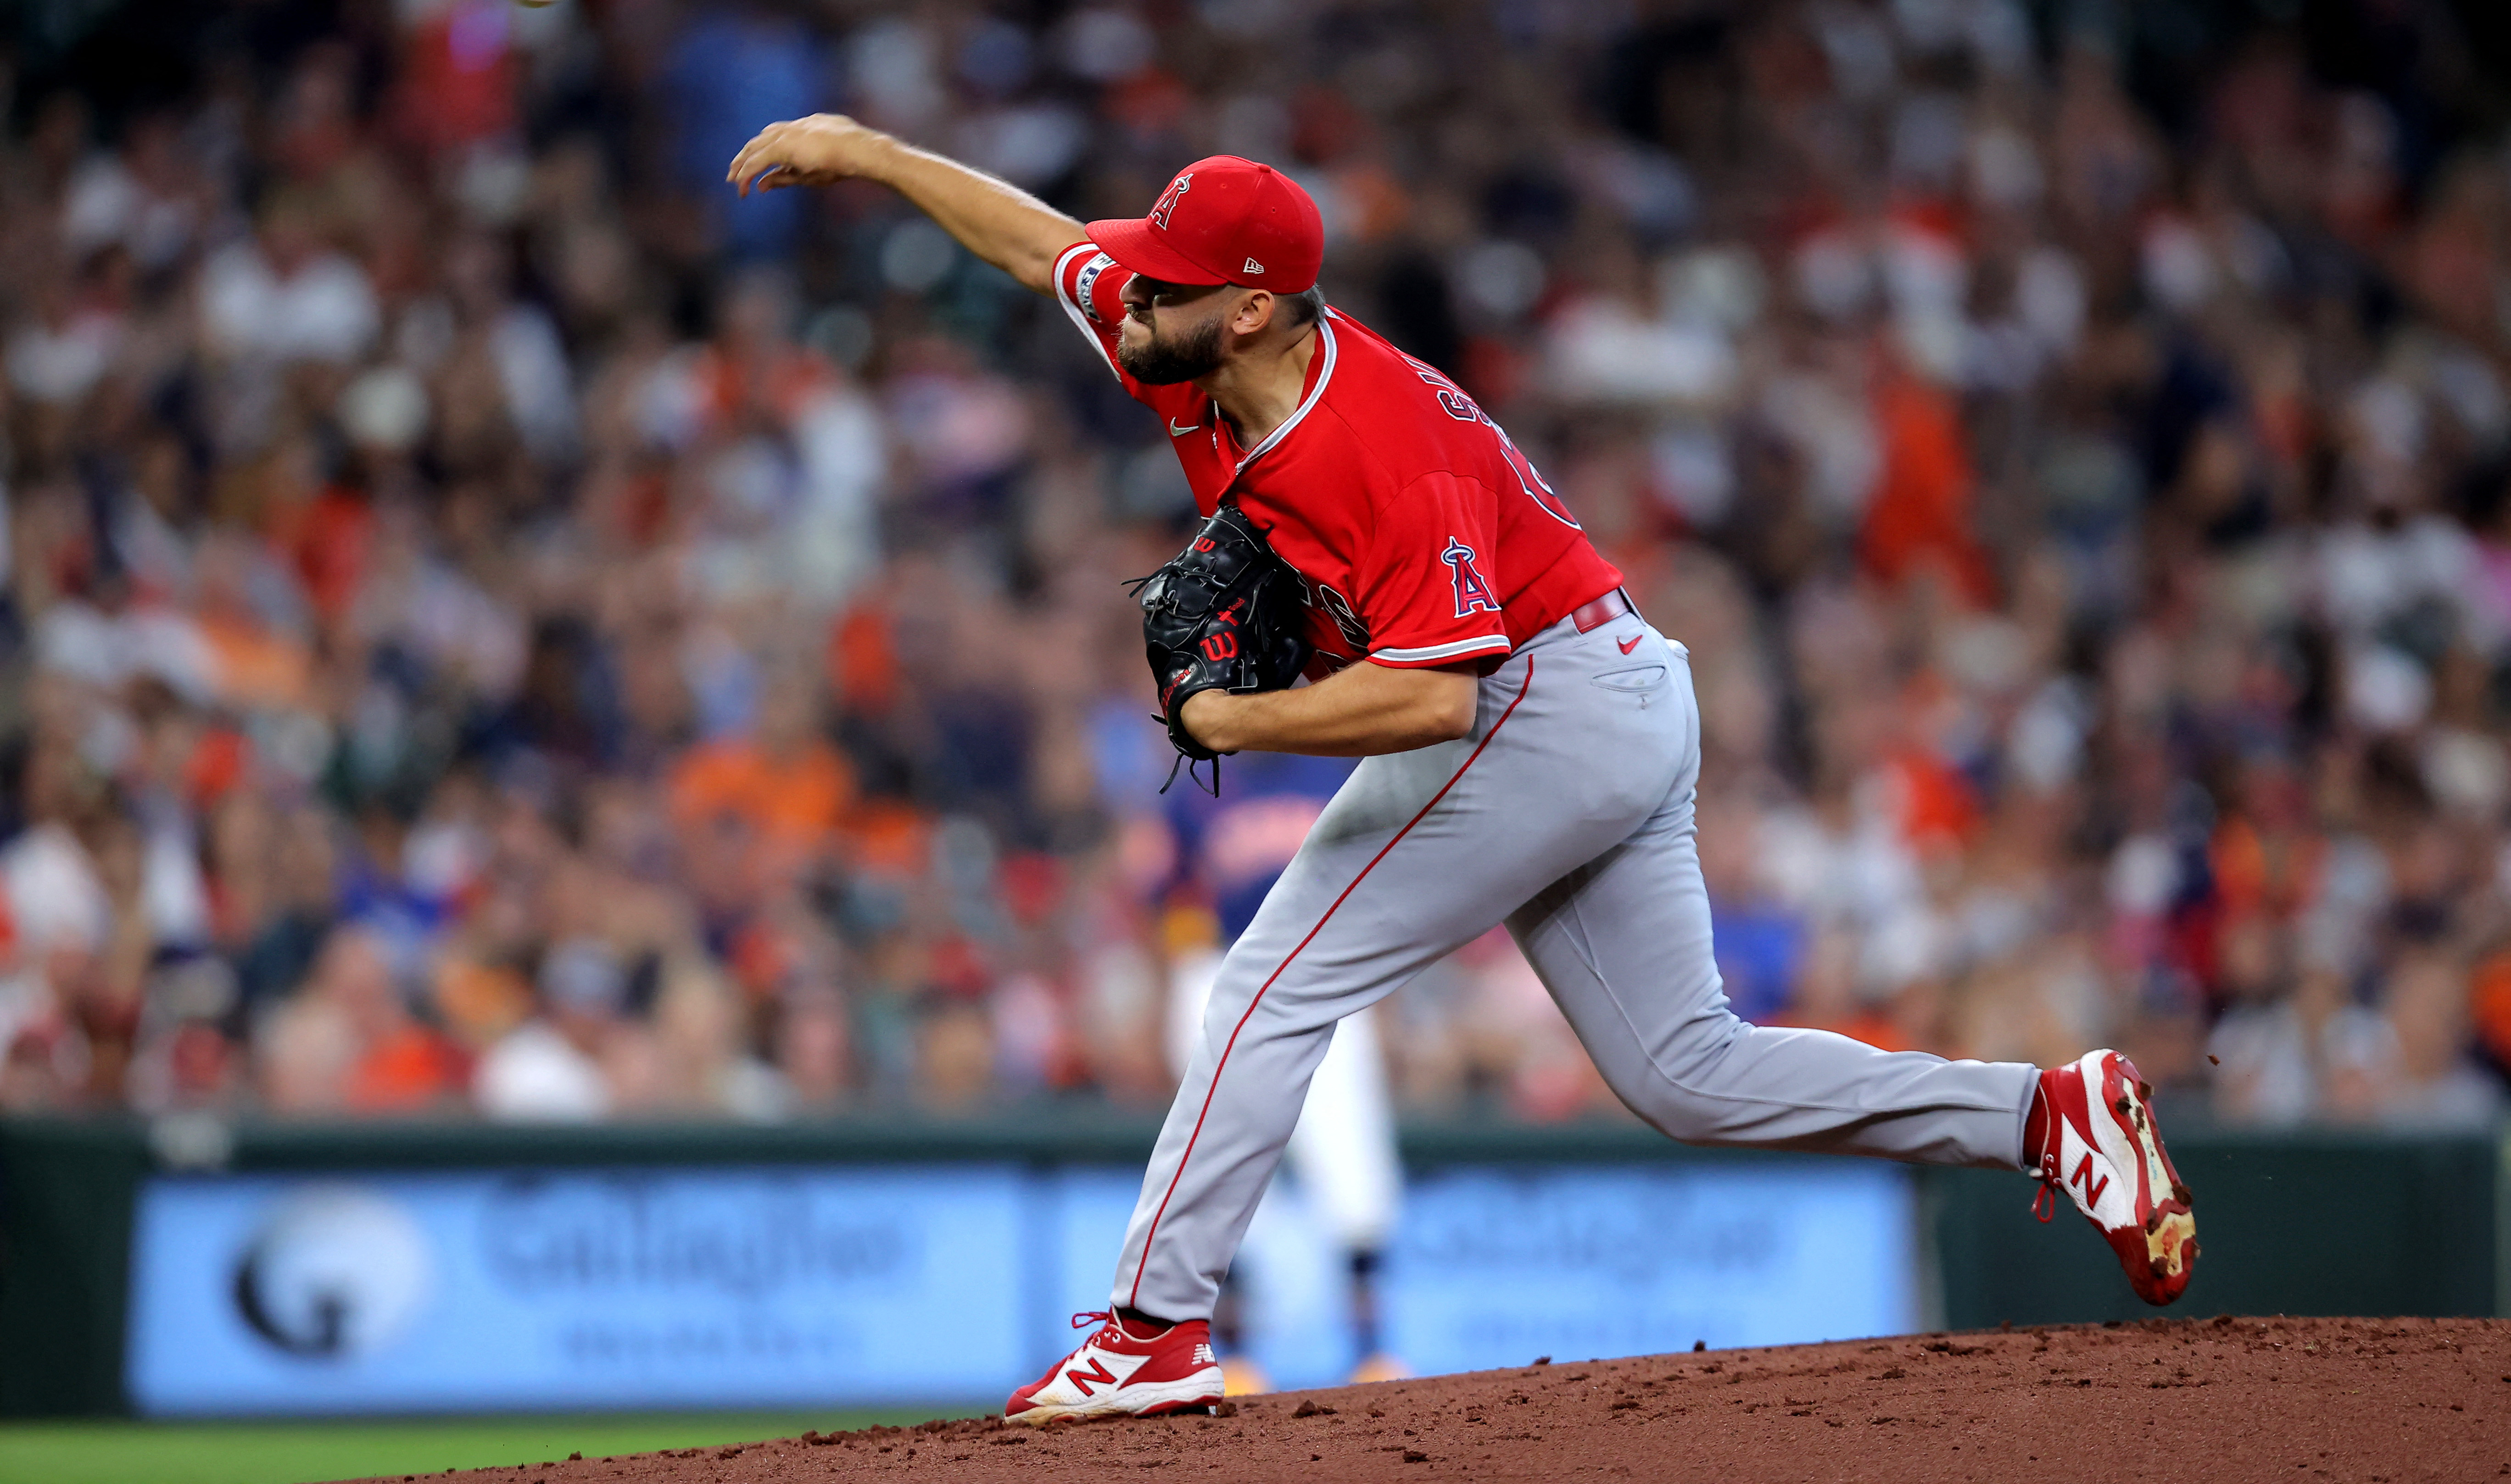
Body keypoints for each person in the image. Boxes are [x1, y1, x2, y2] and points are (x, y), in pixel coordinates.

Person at [725, 118, 2199, 1425]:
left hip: (1543, 701)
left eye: (1165, 281)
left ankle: (1154, 1334)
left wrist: (1237, 728)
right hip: (1607, 689)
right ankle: (2044, 1117)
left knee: (1265, 981)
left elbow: (1435, 702)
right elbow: (1045, 248)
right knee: (1687, 1072)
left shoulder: (1373, 445)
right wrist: (874, 154)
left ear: (1250, 306)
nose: (1133, 294)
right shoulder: (1191, 332)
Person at [1157, 747, 1403, 1390]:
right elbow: (1168, 900)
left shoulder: (1334, 772)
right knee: (1230, 1170)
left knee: (1353, 1168)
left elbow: (1383, 884)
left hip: (1324, 971)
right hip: (1225, 972)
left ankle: (1371, 1351)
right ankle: (1234, 1357)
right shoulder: (1197, 784)